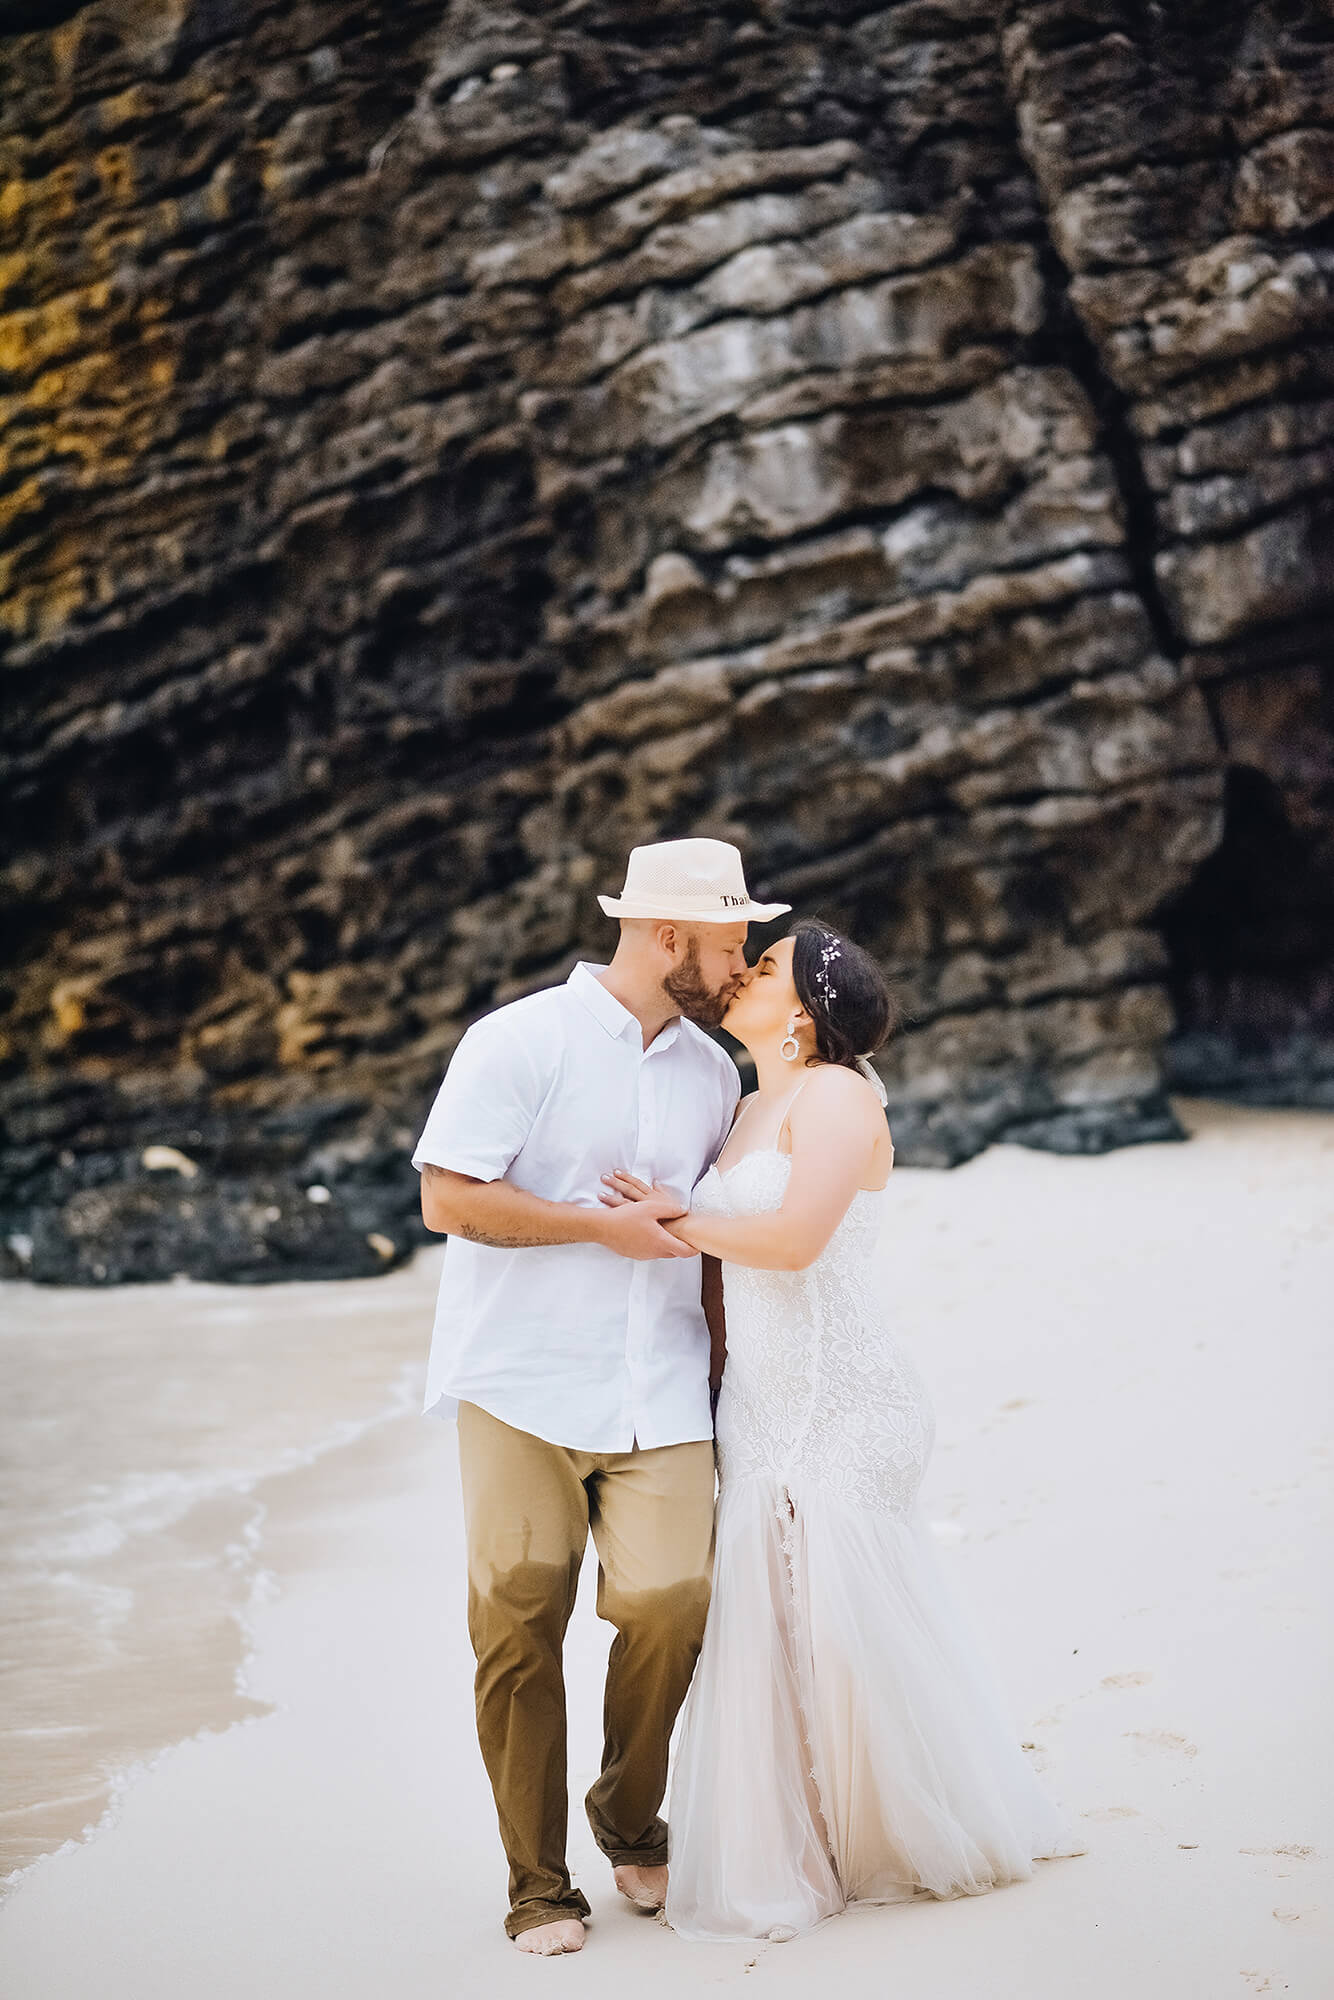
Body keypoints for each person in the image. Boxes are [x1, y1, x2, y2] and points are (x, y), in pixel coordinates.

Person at [600, 919, 1081, 1942]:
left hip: (846, 1394)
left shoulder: (836, 1093)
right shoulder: (742, 1107)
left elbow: (789, 1238)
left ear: (810, 1008)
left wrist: (670, 1220)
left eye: (764, 965)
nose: (740, 974)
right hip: (762, 1402)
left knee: (840, 1618)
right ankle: (813, 1836)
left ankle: (900, 1828)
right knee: (772, 1616)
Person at [411, 838, 789, 1955]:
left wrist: (729, 1369)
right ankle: (538, 1882)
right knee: (518, 1618)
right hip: (519, 1379)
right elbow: (445, 1199)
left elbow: (709, 1239)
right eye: (731, 943)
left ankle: (627, 1812)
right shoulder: (516, 1040)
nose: (742, 963)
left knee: (673, 1599)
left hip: (664, 1382)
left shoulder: (716, 1073)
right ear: (669, 936)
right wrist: (596, 1225)